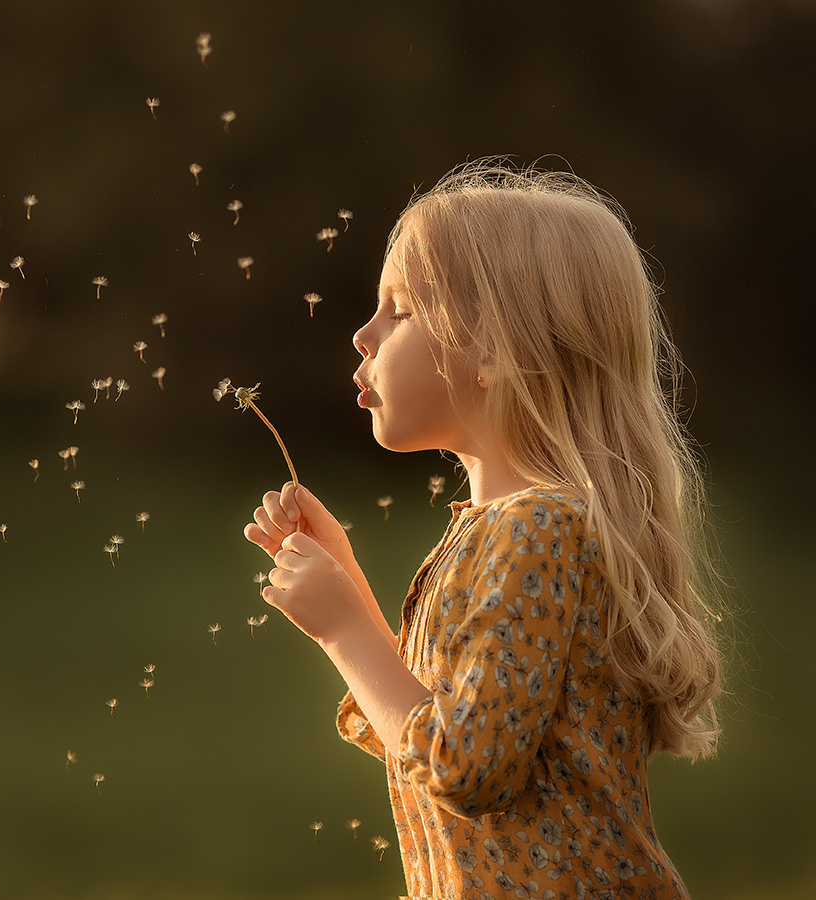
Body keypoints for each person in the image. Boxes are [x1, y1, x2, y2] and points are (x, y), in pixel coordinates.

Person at [244, 161, 722, 900]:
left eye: (399, 309)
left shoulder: (538, 531)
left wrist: (346, 631)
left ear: (498, 349)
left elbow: (463, 766)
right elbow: (432, 732)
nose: (363, 334)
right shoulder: (511, 530)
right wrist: (352, 591)